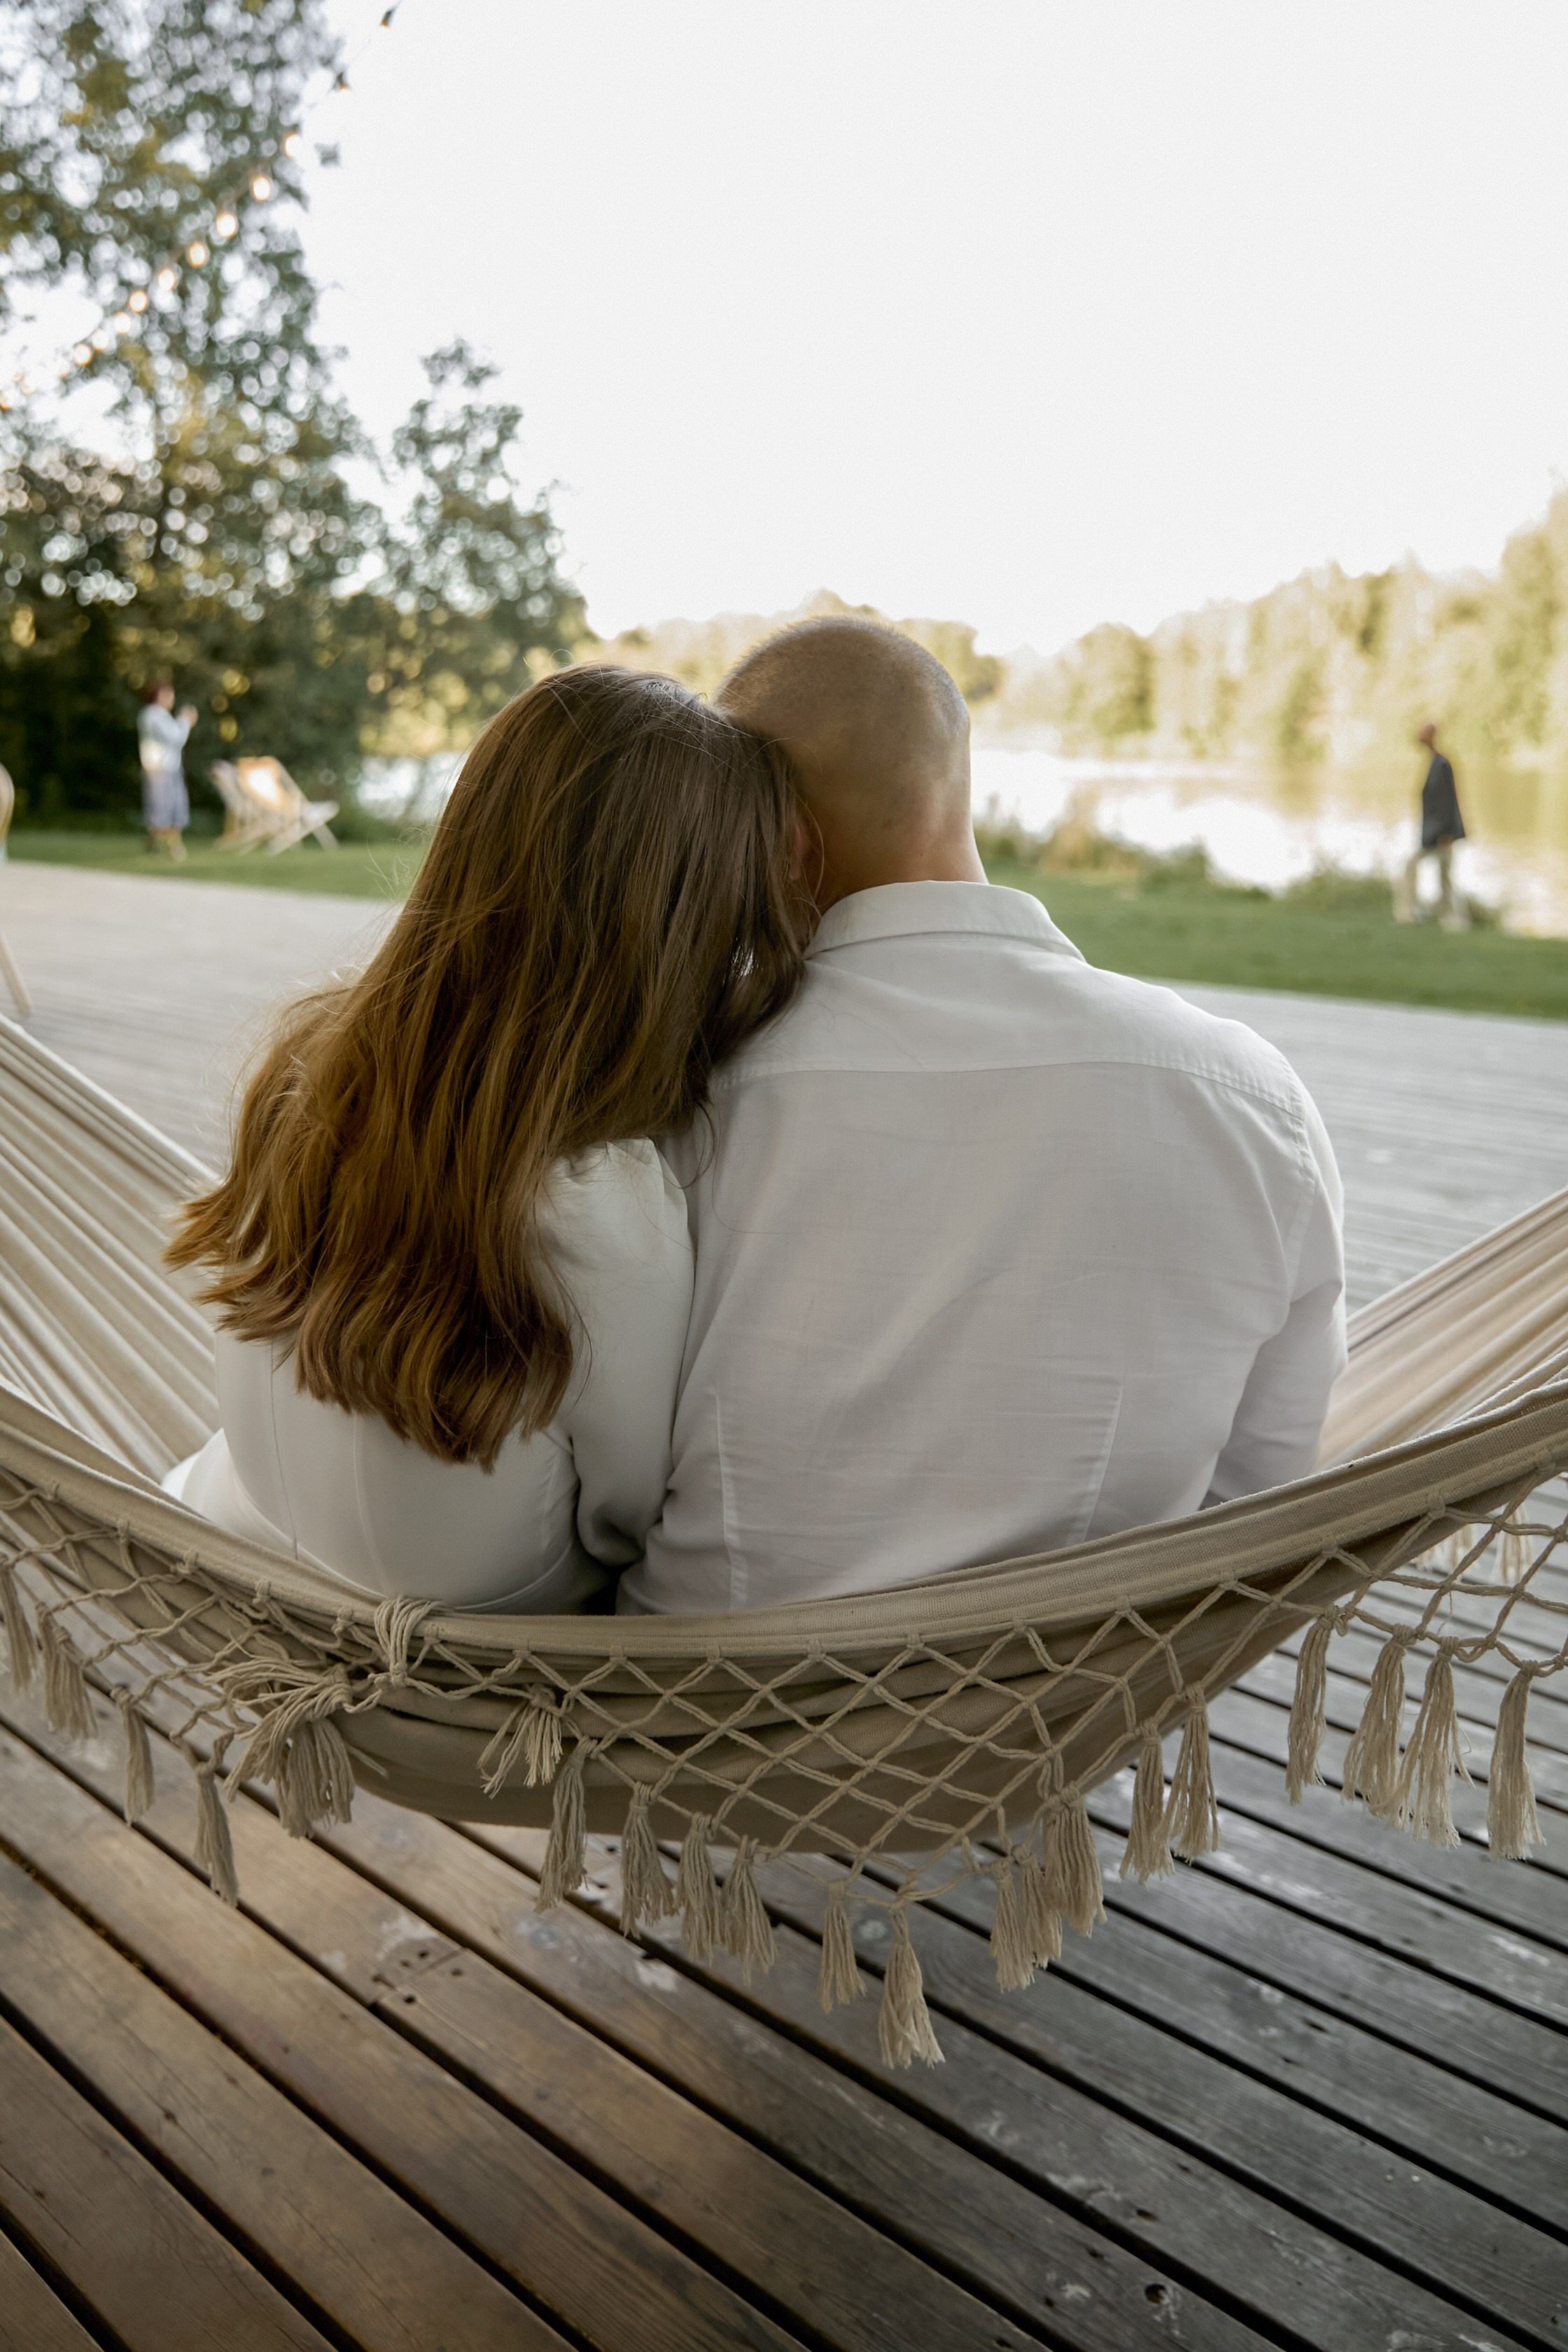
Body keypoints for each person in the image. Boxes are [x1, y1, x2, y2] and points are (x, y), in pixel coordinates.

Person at [622, 617, 1345, 1614]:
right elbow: (1264, 1492)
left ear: (780, 839)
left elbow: (607, 1464)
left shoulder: (681, 1099)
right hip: (1054, 1721)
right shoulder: (1248, 1096)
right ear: (955, 782)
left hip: (702, 1723)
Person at [162, 668, 809, 1612]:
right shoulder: (601, 1197)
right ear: (686, 926)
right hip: (476, 1629)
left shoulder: (314, 1069)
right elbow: (628, 1515)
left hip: (260, 1529)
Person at [1394, 722, 1467, 929]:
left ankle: (1454, 919)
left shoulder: (1442, 764)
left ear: (1431, 736)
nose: (1419, 737)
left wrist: (1447, 833)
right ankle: (1411, 913)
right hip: (1433, 833)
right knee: (1418, 868)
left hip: (1442, 834)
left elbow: (1449, 800)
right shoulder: (1433, 762)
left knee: (1444, 877)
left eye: (1422, 734)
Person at [137, 682, 197, 860]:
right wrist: (186, 720)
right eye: (168, 695)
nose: (171, 699)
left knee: (166, 808)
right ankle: (174, 847)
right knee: (166, 808)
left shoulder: (158, 715)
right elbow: (175, 738)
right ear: (157, 696)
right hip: (161, 769)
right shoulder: (154, 714)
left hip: (168, 767)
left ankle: (153, 842)